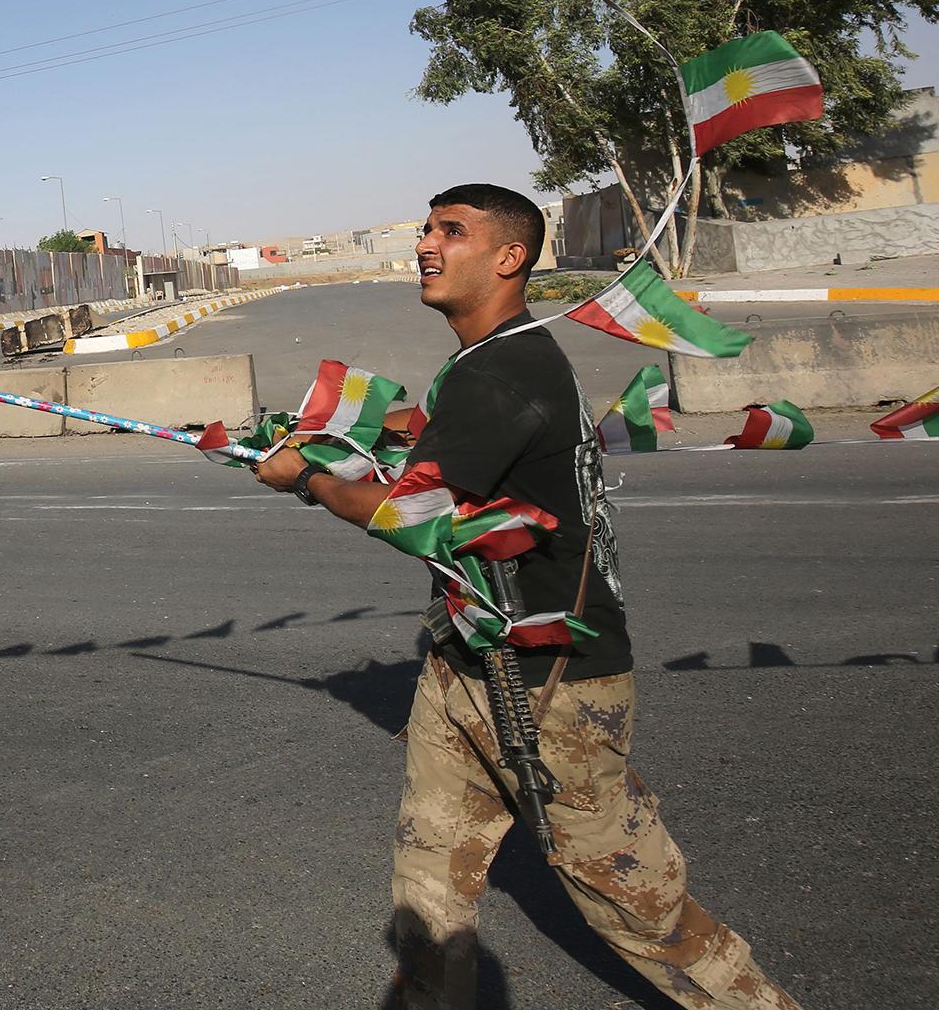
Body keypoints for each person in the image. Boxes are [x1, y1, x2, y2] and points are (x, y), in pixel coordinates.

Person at [253, 183, 801, 1010]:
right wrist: (352, 432)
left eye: (452, 231)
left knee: (636, 905)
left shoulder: (504, 372)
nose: (426, 245)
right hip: (465, 662)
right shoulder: (488, 362)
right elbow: (445, 434)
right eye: (426, 229)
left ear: (510, 257)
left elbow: (415, 517)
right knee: (430, 882)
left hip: (557, 683)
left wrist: (308, 480)